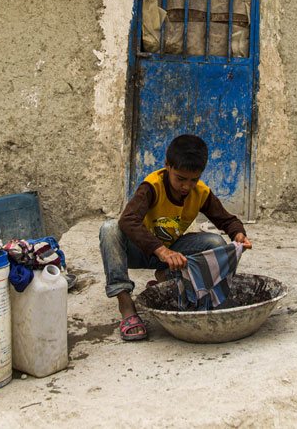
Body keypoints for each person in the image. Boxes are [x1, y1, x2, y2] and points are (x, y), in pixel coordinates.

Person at [99, 134, 252, 341]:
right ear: (167, 166)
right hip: (141, 250)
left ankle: (168, 280)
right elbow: (128, 220)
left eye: (193, 180)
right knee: (109, 229)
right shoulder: (152, 186)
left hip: (171, 252)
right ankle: (126, 304)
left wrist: (238, 234)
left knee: (215, 242)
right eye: (180, 179)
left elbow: (226, 220)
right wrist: (161, 251)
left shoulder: (200, 192)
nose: (186, 187)